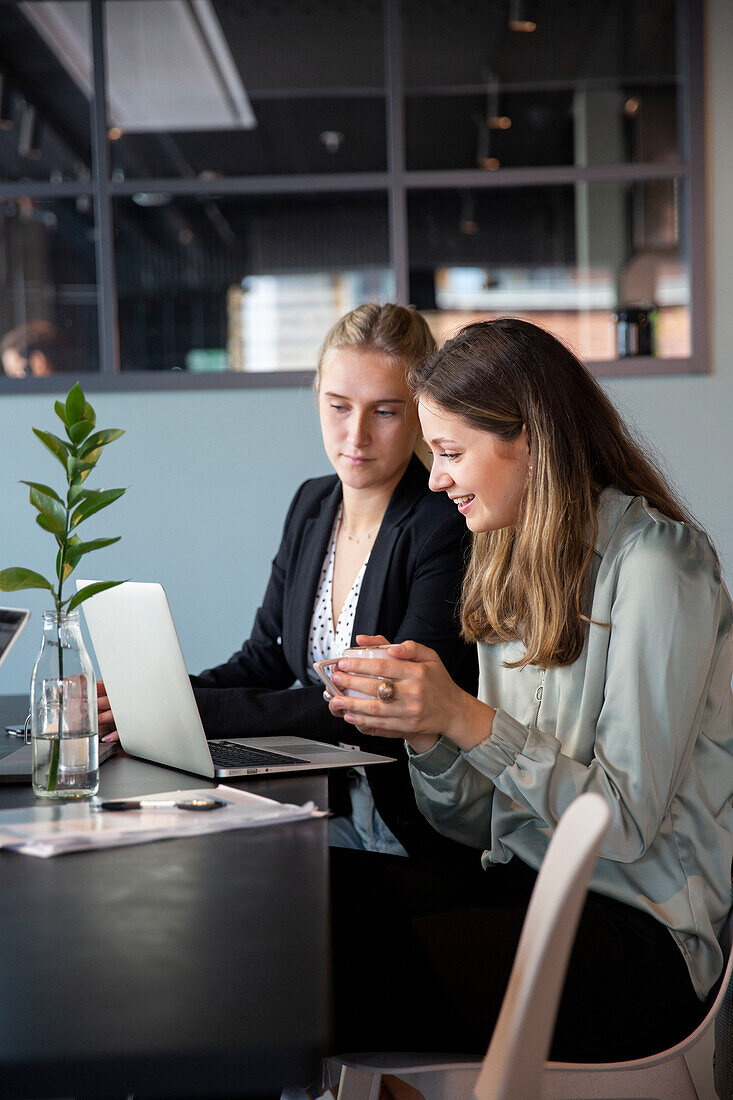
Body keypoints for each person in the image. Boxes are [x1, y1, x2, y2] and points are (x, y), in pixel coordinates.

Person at [324, 317, 733, 1066]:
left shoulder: (658, 567)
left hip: (640, 937)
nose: (436, 477)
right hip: (523, 887)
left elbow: (623, 826)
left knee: (318, 975)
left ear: (532, 440)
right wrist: (427, 730)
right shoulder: (508, 557)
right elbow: (474, 825)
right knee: (287, 905)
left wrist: (467, 717)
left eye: (449, 453)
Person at [98, 303, 477, 862]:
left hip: (403, 826)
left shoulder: (443, 524)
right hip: (312, 805)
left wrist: (186, 714)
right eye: (338, 406)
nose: (356, 435)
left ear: (421, 413)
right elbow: (262, 661)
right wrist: (152, 698)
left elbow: (374, 708)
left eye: (386, 412)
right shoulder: (312, 504)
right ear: (318, 396)